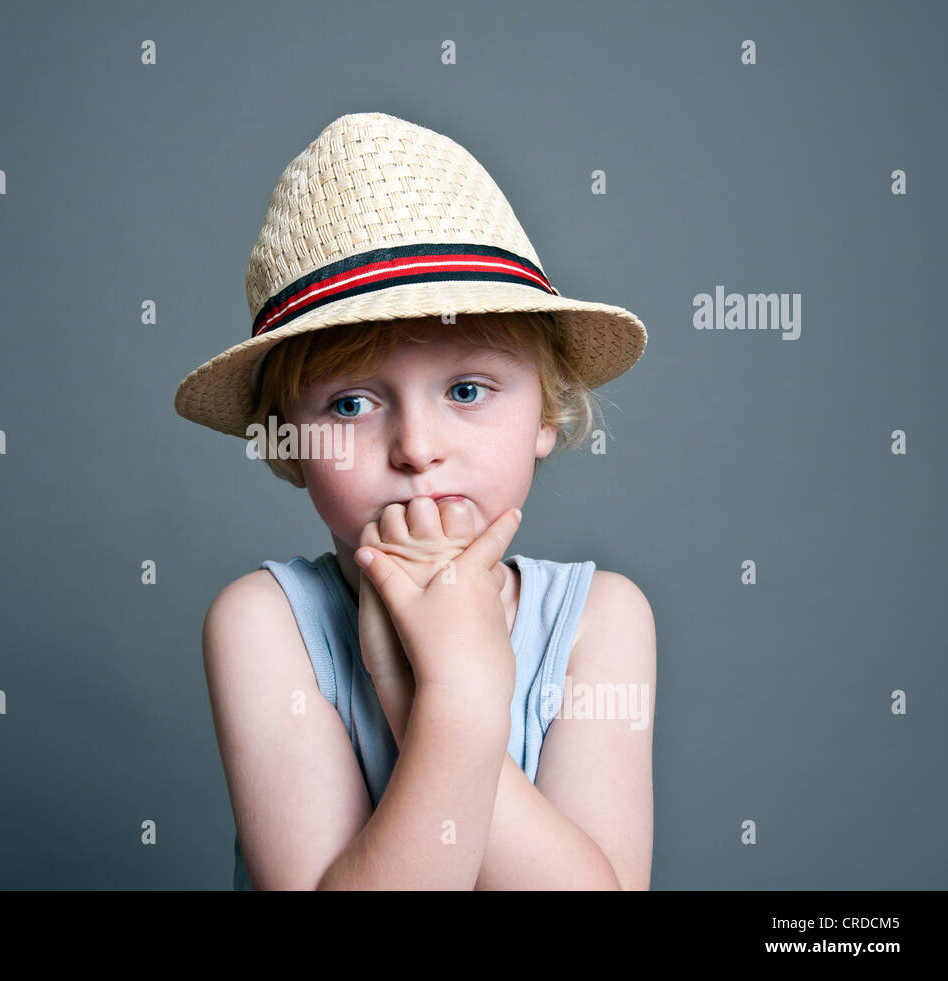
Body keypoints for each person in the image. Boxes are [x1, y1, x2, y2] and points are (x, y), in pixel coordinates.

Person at [174, 112, 655, 890]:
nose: (417, 447)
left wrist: (442, 686)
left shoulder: (601, 621)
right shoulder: (263, 625)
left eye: (467, 390)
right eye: (351, 405)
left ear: (548, 411)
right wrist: (451, 697)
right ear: (288, 444)